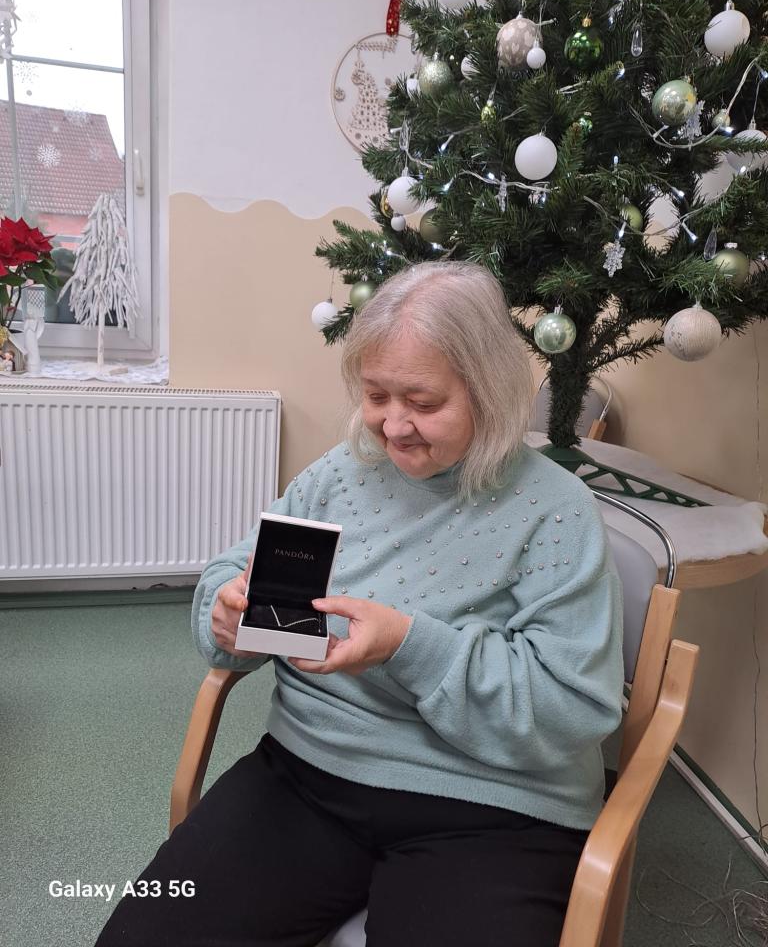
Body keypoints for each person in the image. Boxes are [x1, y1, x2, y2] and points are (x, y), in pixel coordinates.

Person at [95, 261, 624, 947]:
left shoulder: (558, 511)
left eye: (423, 402)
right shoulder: (343, 471)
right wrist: (227, 614)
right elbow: (241, 566)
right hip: (309, 774)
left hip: (495, 807)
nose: (393, 426)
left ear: (491, 390)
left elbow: (572, 708)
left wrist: (409, 645)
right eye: (376, 395)